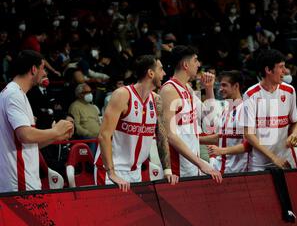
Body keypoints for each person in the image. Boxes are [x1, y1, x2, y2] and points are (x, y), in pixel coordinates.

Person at [95, 55, 178, 191]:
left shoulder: (156, 100)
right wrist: (111, 173)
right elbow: (104, 135)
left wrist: (167, 170)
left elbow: (161, 135)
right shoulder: (122, 95)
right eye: (161, 69)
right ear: (150, 73)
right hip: (112, 170)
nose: (164, 73)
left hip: (136, 172)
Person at [0, 50, 73, 193]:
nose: (45, 73)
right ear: (33, 69)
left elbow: (29, 142)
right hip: (20, 183)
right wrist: (56, 130)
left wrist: (55, 136)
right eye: (42, 68)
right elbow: (25, 135)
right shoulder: (14, 95)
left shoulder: (15, 93)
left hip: (22, 182)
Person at [159, 45, 222, 183]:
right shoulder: (169, 90)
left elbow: (209, 119)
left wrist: (209, 89)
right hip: (178, 167)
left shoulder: (187, 88)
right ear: (185, 65)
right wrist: (200, 162)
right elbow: (169, 135)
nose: (199, 64)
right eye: (195, 60)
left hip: (193, 163)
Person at [242, 49, 297, 171]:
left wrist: (295, 134)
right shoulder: (251, 95)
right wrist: (273, 158)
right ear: (268, 70)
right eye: (281, 67)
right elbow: (248, 134)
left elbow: (295, 122)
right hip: (260, 162)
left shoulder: (290, 91)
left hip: (285, 157)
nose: (285, 71)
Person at [202, 71, 248, 174]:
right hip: (221, 170)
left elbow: (249, 145)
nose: (220, 89)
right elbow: (222, 136)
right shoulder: (227, 108)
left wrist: (222, 151)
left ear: (236, 86)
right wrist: (195, 140)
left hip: (237, 172)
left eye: (224, 85)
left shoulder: (245, 109)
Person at [68, 83, 101, 154]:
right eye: (87, 92)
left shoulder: (93, 107)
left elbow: (99, 123)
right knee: (92, 140)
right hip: (85, 138)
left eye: (90, 92)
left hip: (98, 137)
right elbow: (76, 126)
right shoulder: (75, 107)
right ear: (79, 94)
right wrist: (89, 134)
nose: (90, 94)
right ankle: (90, 164)